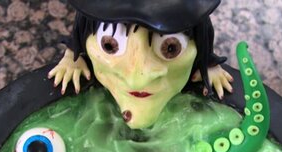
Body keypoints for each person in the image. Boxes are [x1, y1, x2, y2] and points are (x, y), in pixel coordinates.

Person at [48, 0, 234, 129]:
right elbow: (81, 31)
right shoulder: (87, 29)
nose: (138, 80)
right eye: (109, 44)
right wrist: (73, 57)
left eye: (171, 47)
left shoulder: (196, 29)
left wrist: (208, 63)